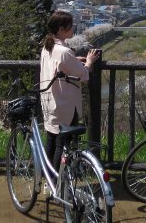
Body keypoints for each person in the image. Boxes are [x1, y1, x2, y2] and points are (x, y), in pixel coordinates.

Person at [40, 10, 100, 172]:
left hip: (50, 100)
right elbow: (84, 75)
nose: (73, 28)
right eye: (70, 26)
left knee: (51, 140)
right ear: (61, 29)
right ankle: (59, 181)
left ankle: (49, 181)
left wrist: (74, 61)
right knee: (62, 143)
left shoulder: (48, 47)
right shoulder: (65, 52)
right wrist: (89, 61)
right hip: (65, 103)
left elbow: (62, 67)